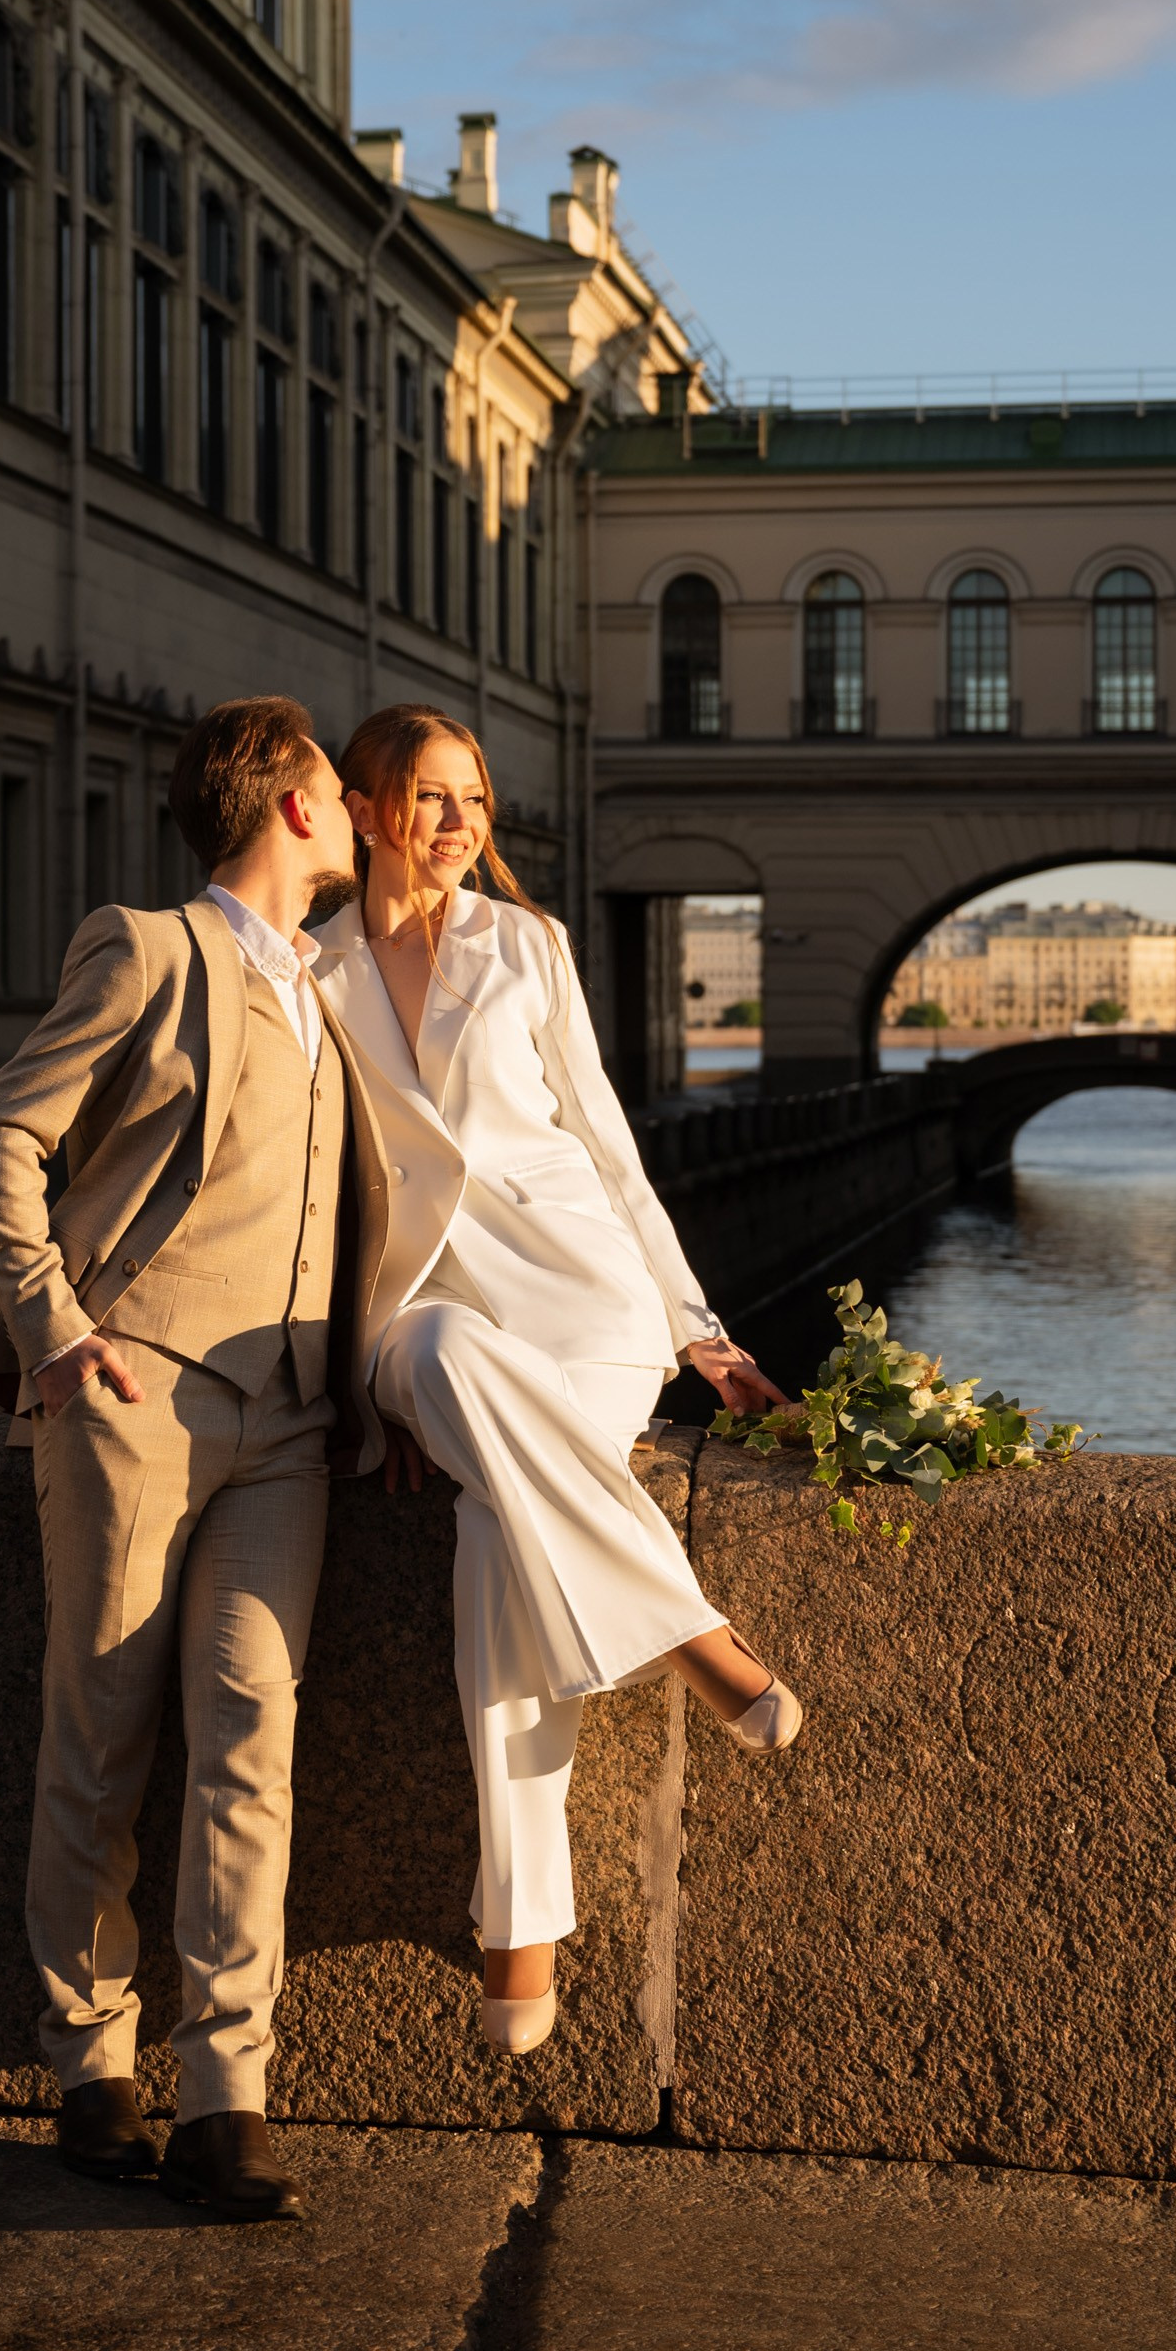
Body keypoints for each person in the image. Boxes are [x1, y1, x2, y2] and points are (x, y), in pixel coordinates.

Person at [0, 696, 389, 2218]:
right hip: (140, 1396)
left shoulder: (336, 991)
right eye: (341, 790)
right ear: (289, 808)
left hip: (291, 1423)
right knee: (105, 1736)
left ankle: (226, 2096)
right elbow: (5, 1131)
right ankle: (89, 2064)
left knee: (250, 1736)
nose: (358, 815)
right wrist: (55, 1328)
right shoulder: (149, 947)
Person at [310, 703, 799, 2056]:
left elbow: (607, 1146)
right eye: (434, 796)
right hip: (420, 1321)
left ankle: (521, 1934)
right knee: (448, 1359)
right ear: (361, 806)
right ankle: (690, 1634)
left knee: (492, 1527)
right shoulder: (308, 969)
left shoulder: (528, 947)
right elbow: (310, 1194)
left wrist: (706, 1334)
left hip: (585, 1307)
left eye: (478, 799)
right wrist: (353, 1394)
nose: (464, 823)